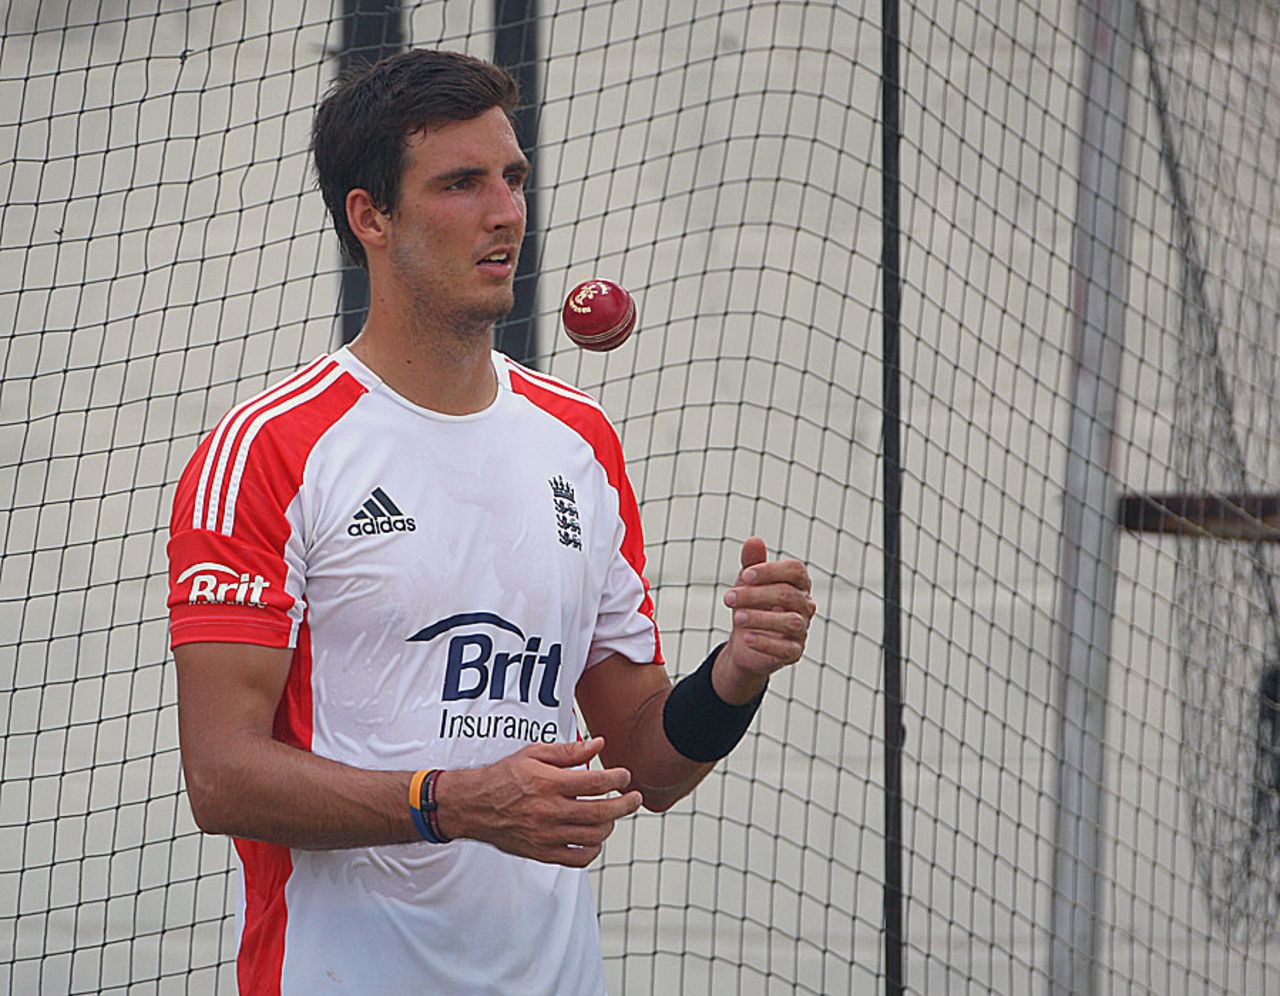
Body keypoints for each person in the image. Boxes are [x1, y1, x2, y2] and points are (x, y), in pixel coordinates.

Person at [166, 49, 815, 995]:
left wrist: (737, 673)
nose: (506, 209)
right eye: (461, 183)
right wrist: (454, 804)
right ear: (370, 216)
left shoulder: (579, 440)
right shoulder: (267, 449)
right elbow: (222, 779)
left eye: (512, 177)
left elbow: (646, 763)